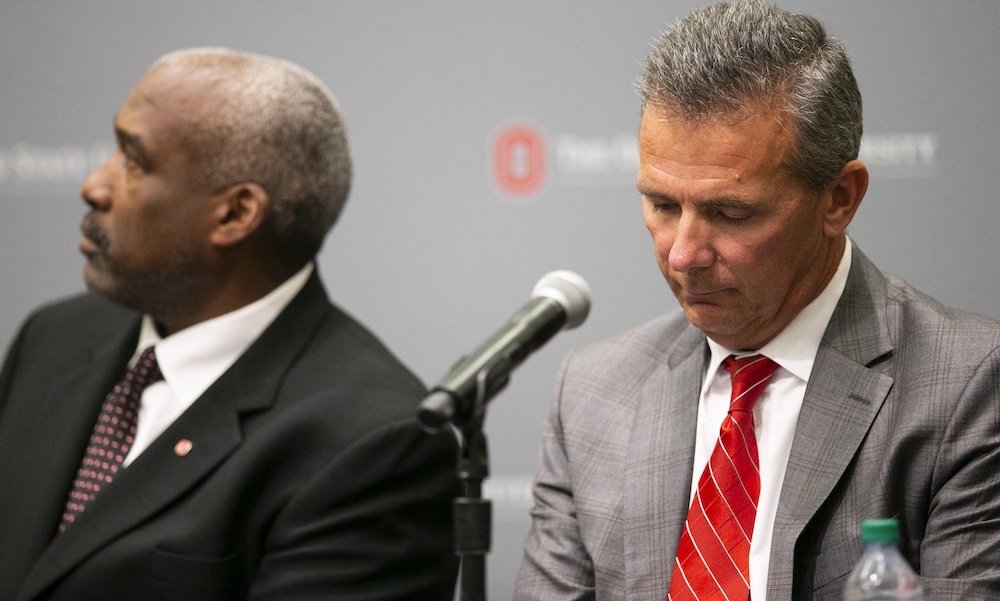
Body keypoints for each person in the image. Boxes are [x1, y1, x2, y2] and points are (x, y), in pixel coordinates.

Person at [514, 2, 1000, 600]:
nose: (683, 254)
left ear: (839, 199)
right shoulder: (593, 394)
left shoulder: (969, 385)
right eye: (662, 206)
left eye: (731, 212)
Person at [0, 48, 458, 600]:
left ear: (236, 214)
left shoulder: (371, 442)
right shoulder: (56, 337)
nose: (94, 185)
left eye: (133, 160)